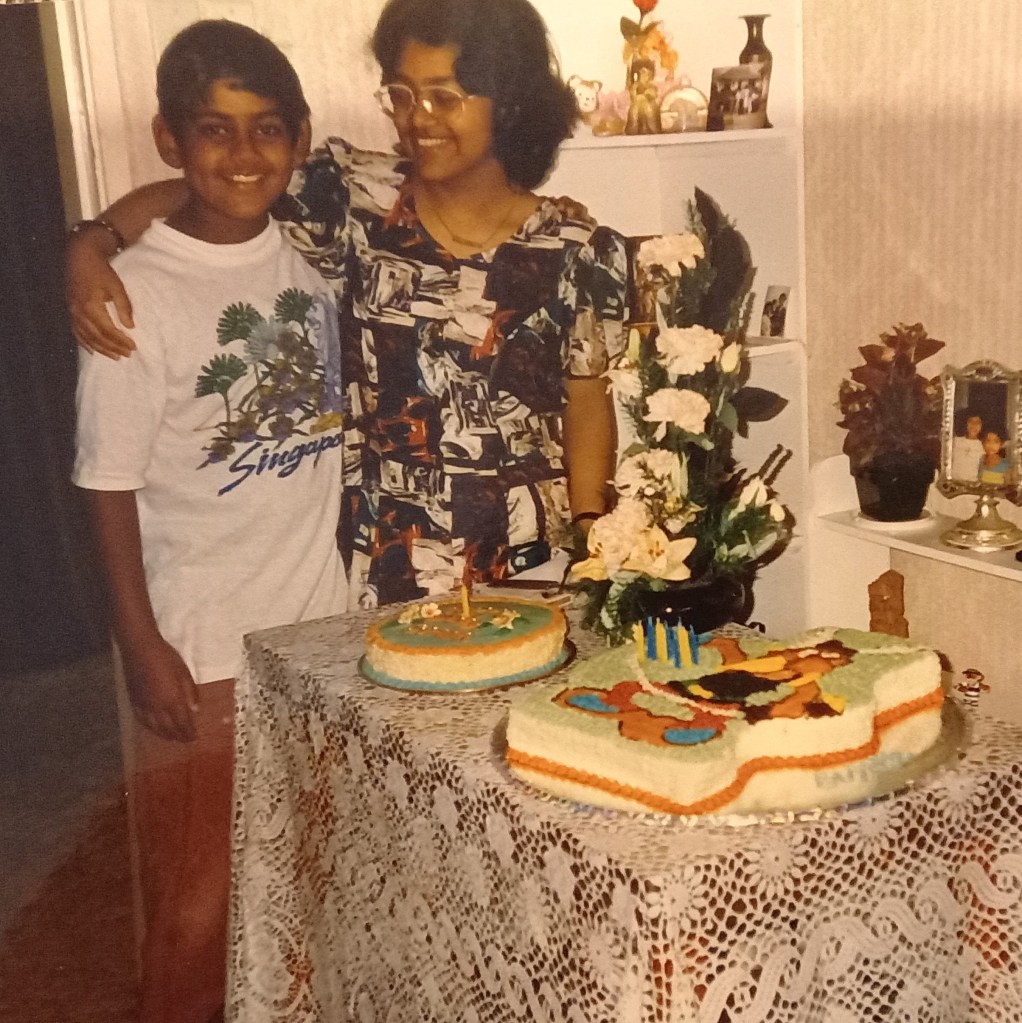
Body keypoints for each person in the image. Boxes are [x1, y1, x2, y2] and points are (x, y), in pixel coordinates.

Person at [66, 0, 628, 609]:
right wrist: (92, 244)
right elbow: (214, 183)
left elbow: (587, 404)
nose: (419, 118)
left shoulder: (578, 252)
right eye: (403, 94)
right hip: (386, 566)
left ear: (510, 100)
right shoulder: (353, 201)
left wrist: (592, 539)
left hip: (529, 564)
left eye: (445, 96)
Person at [71, 21, 348, 1023]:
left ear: (301, 137)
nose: (242, 155)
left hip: (322, 640)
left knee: (311, 888)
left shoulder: (314, 257)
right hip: (202, 651)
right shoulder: (134, 297)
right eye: (214, 131)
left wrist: (90, 232)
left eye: (265, 129)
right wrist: (140, 644)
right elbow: (104, 486)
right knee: (198, 905)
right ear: (168, 140)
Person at [950, 412, 983, 480]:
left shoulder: (983, 445)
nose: (974, 424)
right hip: (954, 483)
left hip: (972, 485)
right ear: (965, 423)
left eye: (978, 422)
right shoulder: (955, 441)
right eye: (971, 421)